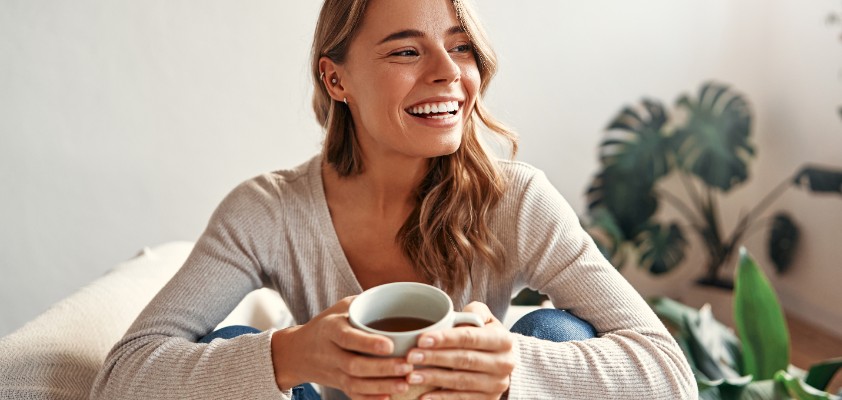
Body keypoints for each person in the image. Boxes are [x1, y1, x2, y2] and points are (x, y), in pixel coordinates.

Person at [91, 0, 698, 399]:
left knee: (556, 332)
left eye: (460, 46)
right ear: (336, 80)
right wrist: (289, 354)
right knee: (232, 356)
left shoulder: (516, 199)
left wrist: (513, 367)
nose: (448, 73)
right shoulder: (268, 211)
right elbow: (121, 378)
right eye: (406, 50)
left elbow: (669, 375)